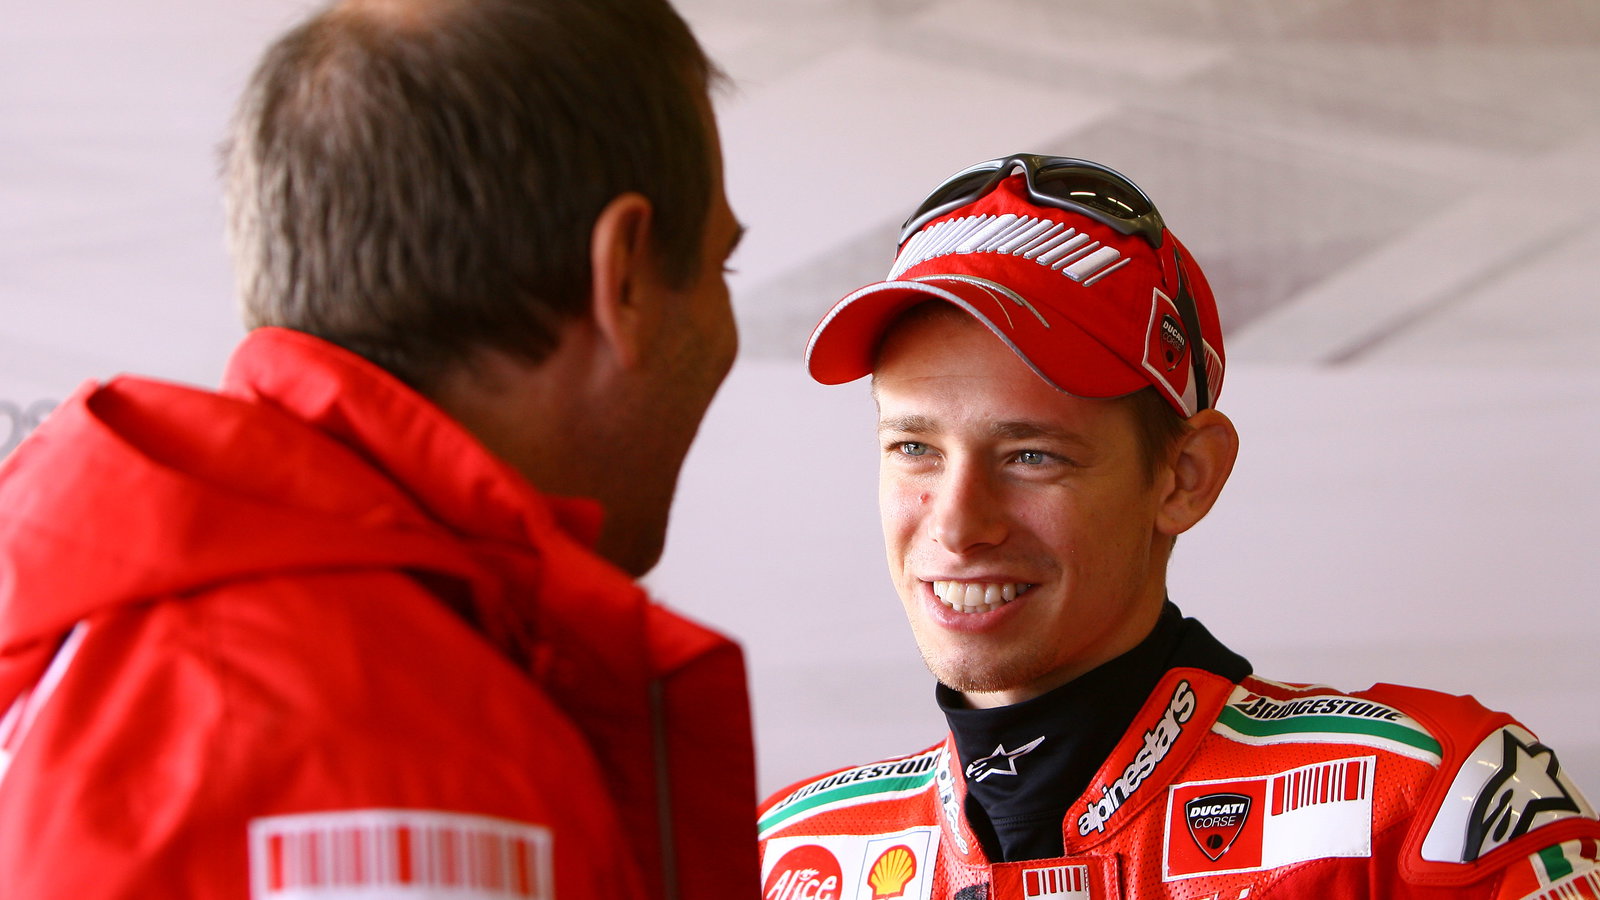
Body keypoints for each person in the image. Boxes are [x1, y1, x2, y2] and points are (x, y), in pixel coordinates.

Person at [0, 0, 757, 897]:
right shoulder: (393, 741)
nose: (725, 320)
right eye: (720, 267)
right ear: (622, 275)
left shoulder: (122, 626)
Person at [756, 154, 1598, 898]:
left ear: (1185, 478)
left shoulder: (1429, 807)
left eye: (1032, 456)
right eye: (913, 447)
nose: (957, 524)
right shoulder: (788, 859)